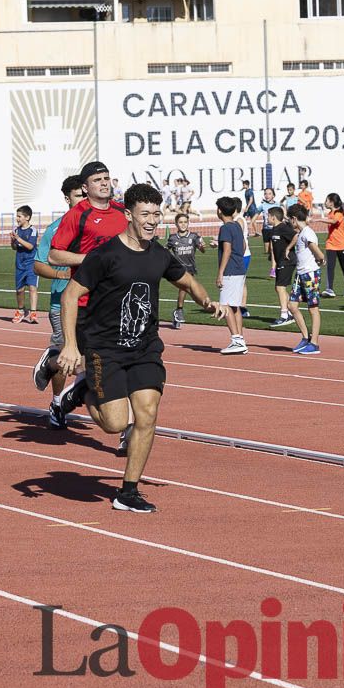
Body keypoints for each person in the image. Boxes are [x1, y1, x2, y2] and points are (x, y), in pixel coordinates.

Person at [56, 183, 224, 512]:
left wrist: (206, 301)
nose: (151, 221)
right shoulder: (105, 255)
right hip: (105, 349)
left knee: (147, 413)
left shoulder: (159, 255)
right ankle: (82, 390)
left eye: (156, 214)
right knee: (115, 424)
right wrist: (71, 346)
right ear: (128, 215)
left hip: (145, 348)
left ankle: (128, 491)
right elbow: (70, 296)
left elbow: (187, 280)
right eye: (145, 214)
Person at [44, 161, 130, 417]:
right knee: (89, 366)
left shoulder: (122, 212)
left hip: (117, 303)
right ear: (85, 187)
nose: (104, 183)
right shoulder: (77, 215)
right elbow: (54, 256)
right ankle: (53, 365)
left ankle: (81, 395)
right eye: (97, 180)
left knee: (118, 364)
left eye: (106, 178)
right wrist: (91, 259)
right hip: (85, 304)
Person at [32, 175, 86, 428]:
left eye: (85, 195)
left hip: (93, 305)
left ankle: (54, 367)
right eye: (78, 196)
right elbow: (39, 264)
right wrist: (61, 274)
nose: (83, 200)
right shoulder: (55, 229)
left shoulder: (99, 227)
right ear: (67, 198)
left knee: (92, 360)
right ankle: (57, 403)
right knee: (68, 358)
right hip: (62, 304)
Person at [285, 204, 324, 354]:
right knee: (292, 305)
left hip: (310, 274)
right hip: (300, 274)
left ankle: (314, 343)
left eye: (290, 219)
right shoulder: (301, 233)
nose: (290, 222)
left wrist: (321, 259)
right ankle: (306, 337)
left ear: (294, 219)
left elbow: (317, 252)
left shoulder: (308, 233)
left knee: (313, 308)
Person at [215, 196, 248, 354]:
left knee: (225, 305)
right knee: (235, 306)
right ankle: (240, 339)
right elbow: (243, 246)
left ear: (219, 211)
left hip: (230, 270)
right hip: (239, 269)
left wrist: (220, 273)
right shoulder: (237, 225)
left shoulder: (225, 228)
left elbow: (227, 250)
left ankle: (236, 340)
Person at [166, 213, 206, 329]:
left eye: (185, 222)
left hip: (191, 268)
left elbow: (202, 249)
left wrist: (203, 246)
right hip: (179, 268)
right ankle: (179, 311)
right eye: (180, 222)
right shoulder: (173, 238)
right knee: (184, 288)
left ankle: (177, 313)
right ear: (176, 224)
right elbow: (165, 250)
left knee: (190, 290)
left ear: (188, 223)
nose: (183, 224)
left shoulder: (193, 236)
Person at [268, 207, 296, 327]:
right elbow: (273, 249)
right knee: (278, 288)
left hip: (288, 261)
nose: (267, 218)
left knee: (280, 287)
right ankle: (291, 311)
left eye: (268, 216)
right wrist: (273, 266)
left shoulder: (283, 227)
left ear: (273, 217)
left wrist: (288, 248)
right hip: (280, 262)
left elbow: (295, 236)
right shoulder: (274, 229)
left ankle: (284, 315)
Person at [10, 205, 39, 324]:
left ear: (27, 217)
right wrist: (13, 241)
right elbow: (14, 248)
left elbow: (30, 246)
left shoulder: (33, 230)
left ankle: (33, 313)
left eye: (19, 216)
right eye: (16, 216)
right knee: (19, 290)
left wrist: (18, 239)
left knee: (32, 287)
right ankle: (21, 310)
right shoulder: (16, 230)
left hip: (31, 263)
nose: (17, 218)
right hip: (19, 264)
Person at [322, 193, 344, 298]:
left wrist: (318, 220)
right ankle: (329, 289)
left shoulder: (338, 213)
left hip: (342, 245)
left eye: (326, 200)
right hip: (331, 244)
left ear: (332, 202)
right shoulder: (329, 213)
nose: (325, 202)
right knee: (330, 267)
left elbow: (334, 221)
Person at [256, 187, 278, 270]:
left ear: (273, 195)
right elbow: (256, 214)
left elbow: (282, 214)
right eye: (265, 194)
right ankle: (271, 257)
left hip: (275, 229)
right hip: (266, 229)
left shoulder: (277, 204)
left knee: (273, 248)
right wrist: (252, 222)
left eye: (269, 194)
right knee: (267, 250)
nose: (267, 195)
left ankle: (273, 268)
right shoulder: (262, 205)